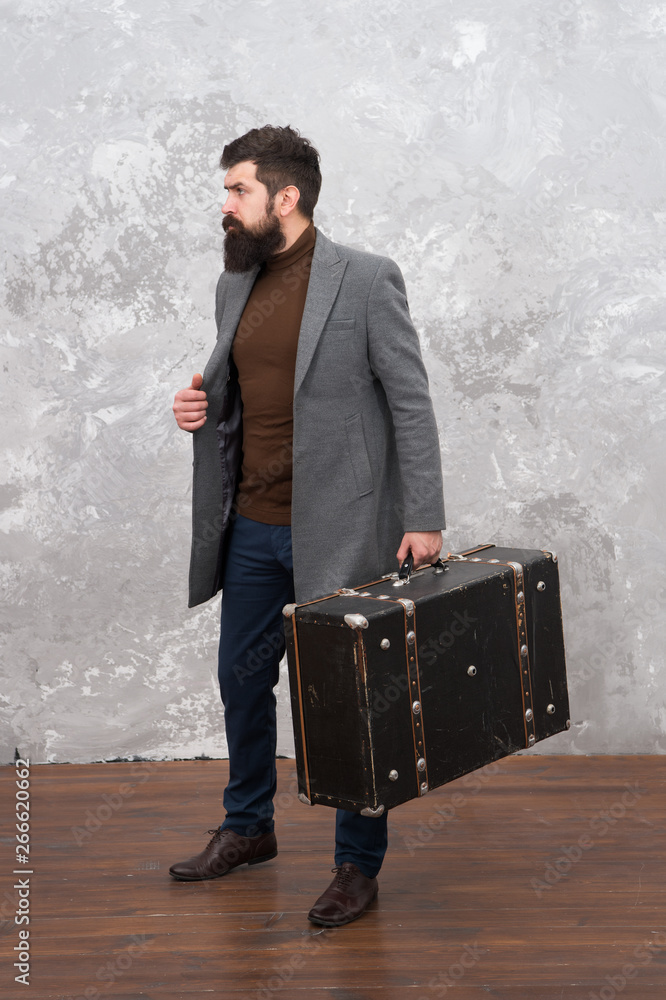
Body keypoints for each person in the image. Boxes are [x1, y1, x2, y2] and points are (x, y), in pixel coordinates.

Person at [170, 125, 445, 926]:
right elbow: (240, 394)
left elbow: (411, 402)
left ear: (285, 198)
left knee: (348, 700)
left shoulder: (363, 279)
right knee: (242, 684)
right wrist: (197, 406)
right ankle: (249, 827)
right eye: (227, 191)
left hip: (345, 532)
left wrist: (423, 516)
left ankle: (357, 865)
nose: (225, 205)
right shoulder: (234, 285)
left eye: (238, 190)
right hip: (252, 529)